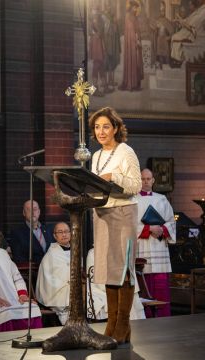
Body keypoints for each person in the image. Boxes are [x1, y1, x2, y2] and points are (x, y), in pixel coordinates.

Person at [89, 106, 142, 344]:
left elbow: (136, 186)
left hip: (122, 213)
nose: (101, 131)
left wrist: (113, 177)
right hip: (101, 214)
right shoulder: (96, 156)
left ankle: (122, 324)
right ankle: (111, 325)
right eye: (97, 127)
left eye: (106, 127)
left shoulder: (125, 151)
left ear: (116, 128)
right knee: (109, 272)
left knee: (124, 271)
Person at [136, 168, 176, 317]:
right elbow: (129, 226)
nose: (145, 181)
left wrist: (163, 229)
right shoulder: (133, 200)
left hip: (158, 246)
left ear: (153, 180)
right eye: (142, 179)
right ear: (138, 181)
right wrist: (148, 228)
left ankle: (163, 317)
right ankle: (145, 317)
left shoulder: (162, 199)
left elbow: (172, 221)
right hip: (142, 245)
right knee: (144, 284)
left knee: (160, 286)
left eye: (148, 179)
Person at [86, 247, 145, 321]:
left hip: (123, 289)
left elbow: (130, 276)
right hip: (100, 290)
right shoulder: (93, 253)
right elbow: (95, 279)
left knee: (130, 301)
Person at [36, 222, 71, 325]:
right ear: (55, 236)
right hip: (56, 290)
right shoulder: (51, 255)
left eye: (66, 231)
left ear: (70, 234)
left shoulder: (75, 251)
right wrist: (67, 284)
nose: (64, 234)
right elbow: (47, 279)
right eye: (60, 232)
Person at [9, 200, 53, 265]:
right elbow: (19, 258)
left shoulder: (49, 230)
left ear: (39, 211)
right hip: (33, 272)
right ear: (24, 213)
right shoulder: (17, 233)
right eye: (29, 210)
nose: (32, 212)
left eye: (35, 209)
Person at [119, 0, 144, 91]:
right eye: (135, 7)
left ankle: (135, 83)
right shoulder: (130, 17)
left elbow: (136, 30)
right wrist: (137, 40)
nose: (136, 9)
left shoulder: (133, 17)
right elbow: (131, 31)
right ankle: (132, 84)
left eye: (137, 7)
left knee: (136, 62)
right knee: (134, 62)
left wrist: (137, 38)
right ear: (132, 7)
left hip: (134, 43)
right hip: (133, 44)